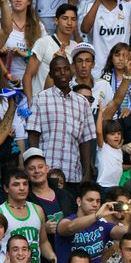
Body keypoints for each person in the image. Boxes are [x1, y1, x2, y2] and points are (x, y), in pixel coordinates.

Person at [26, 55, 96, 190]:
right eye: (57, 70)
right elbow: (33, 136)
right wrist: (35, 168)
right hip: (46, 173)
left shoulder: (82, 102)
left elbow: (85, 141)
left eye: (66, 69)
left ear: (71, 72)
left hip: (73, 173)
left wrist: (87, 172)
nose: (63, 73)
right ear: (51, 74)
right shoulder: (40, 98)